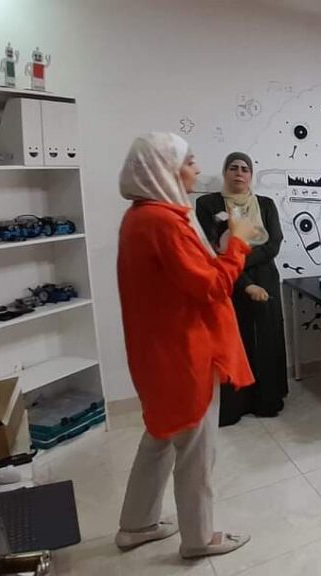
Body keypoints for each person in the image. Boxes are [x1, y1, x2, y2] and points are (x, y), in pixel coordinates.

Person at [115, 133, 254, 558]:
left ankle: (136, 525)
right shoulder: (163, 222)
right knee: (196, 449)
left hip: (158, 352)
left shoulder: (140, 217)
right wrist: (237, 244)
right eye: (190, 161)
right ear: (165, 169)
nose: (197, 169)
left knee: (159, 437)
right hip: (183, 353)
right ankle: (199, 538)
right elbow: (212, 286)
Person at [195, 152, 287, 426]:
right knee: (234, 340)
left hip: (264, 275)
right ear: (225, 172)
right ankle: (235, 407)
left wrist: (236, 260)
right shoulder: (207, 204)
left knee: (266, 337)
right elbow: (210, 247)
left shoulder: (266, 204)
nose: (239, 173)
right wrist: (241, 277)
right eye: (233, 168)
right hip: (228, 281)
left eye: (244, 169)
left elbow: (274, 243)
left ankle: (267, 401)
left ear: (250, 175)